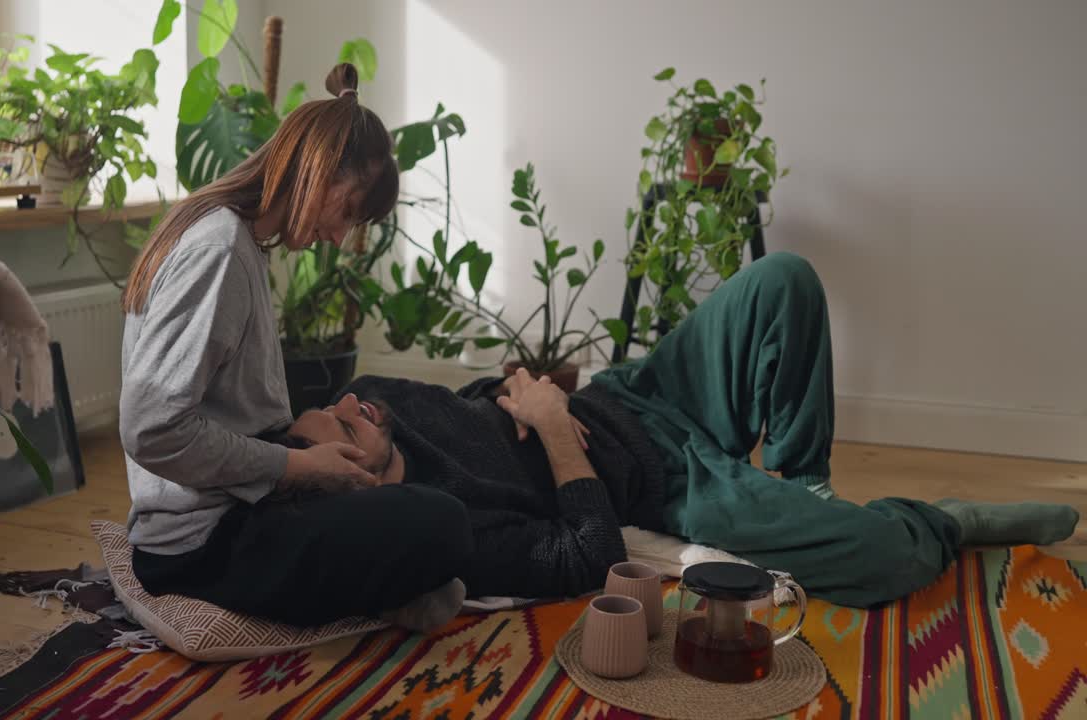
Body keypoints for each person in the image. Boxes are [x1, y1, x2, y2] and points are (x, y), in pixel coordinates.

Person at [283, 252, 1080, 607]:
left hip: (639, 390)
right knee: (878, 560)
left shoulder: (377, 393)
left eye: (347, 401)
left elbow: (478, 393)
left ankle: (806, 484)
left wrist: (519, 386)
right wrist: (556, 433)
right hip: (669, 482)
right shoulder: (446, 528)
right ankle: (948, 521)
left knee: (784, 280)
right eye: (347, 422)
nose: (361, 404)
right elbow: (589, 554)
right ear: (352, 477)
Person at [119, 63, 470, 630]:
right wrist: (295, 466)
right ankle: (389, 586)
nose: (339, 237)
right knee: (444, 522)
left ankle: (386, 581)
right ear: (322, 170)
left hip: (243, 508)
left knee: (414, 489)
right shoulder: (219, 251)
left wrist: (306, 469)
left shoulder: (238, 241)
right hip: (200, 545)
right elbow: (150, 428)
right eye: (349, 210)